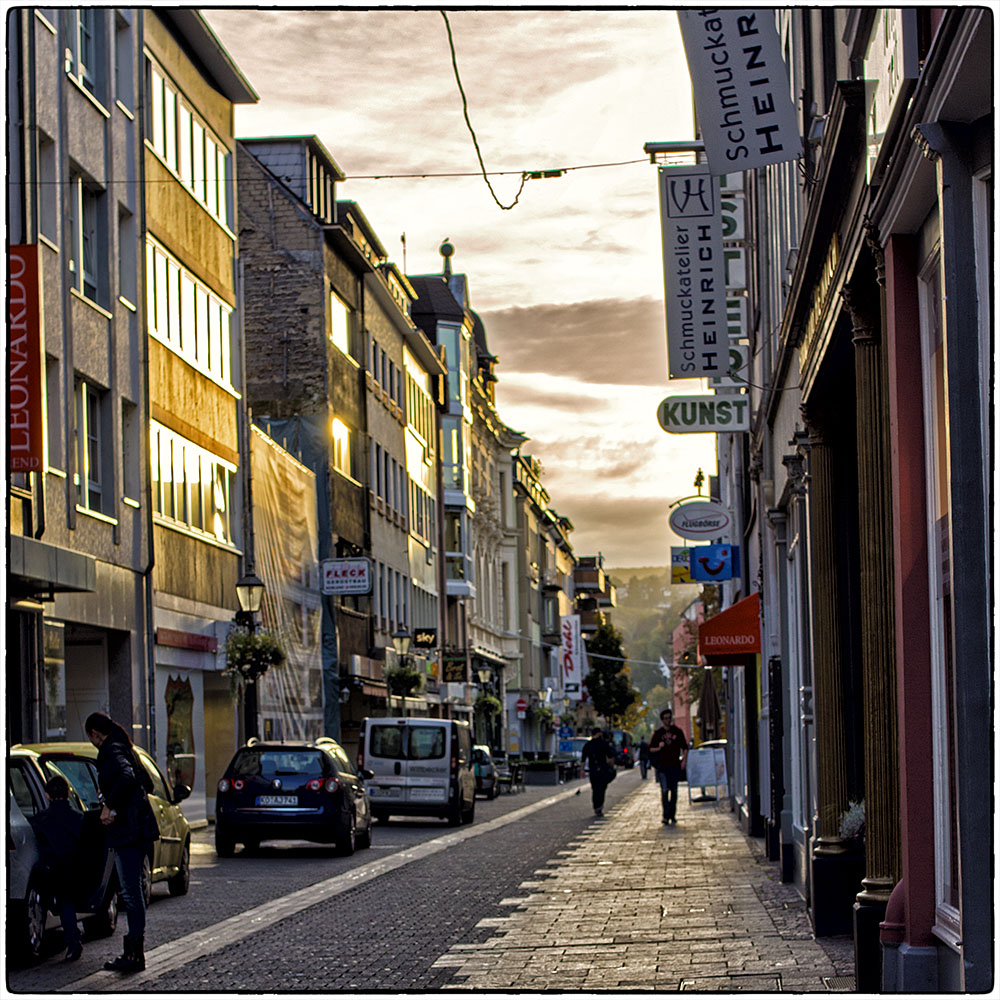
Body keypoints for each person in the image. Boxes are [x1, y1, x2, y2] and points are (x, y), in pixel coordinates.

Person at [85, 711, 160, 973]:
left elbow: (128, 779)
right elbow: (146, 784)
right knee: (133, 890)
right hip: (138, 829)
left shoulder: (111, 750)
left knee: (130, 892)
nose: (93, 743)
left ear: (95, 734)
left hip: (129, 832)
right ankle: (133, 951)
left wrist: (109, 805)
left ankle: (134, 954)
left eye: (92, 739)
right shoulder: (125, 748)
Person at [29, 776, 86, 961]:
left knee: (52, 902)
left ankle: (41, 938)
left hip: (49, 871)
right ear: (69, 793)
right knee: (66, 902)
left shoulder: (39, 821)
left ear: (47, 796)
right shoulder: (79, 818)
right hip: (73, 870)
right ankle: (72, 940)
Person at [648, 708, 688, 825]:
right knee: (665, 791)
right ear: (662, 720)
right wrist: (659, 748)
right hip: (663, 766)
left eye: (669, 718)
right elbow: (650, 749)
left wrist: (684, 761)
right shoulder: (658, 733)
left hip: (675, 765)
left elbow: (685, 747)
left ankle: (672, 815)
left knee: (674, 791)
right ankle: (666, 816)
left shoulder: (677, 731)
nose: (668, 720)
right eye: (666, 718)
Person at [581, 727, 615, 816]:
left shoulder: (588, 745)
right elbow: (610, 757)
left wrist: (582, 770)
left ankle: (596, 806)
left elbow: (583, 759)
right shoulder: (604, 744)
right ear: (599, 734)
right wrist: (611, 765)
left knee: (595, 788)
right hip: (602, 769)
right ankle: (599, 806)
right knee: (602, 788)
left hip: (593, 770)